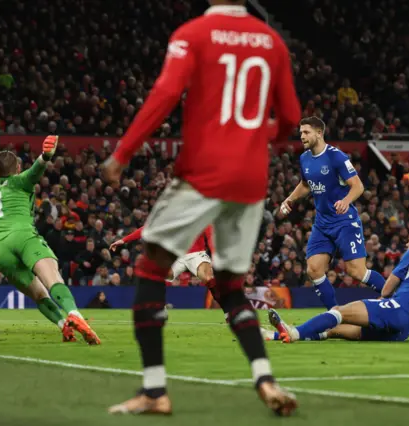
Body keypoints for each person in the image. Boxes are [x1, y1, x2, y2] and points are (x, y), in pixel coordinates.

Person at [102, 0, 301, 416]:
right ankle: (265, 379)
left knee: (150, 270)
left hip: (203, 171)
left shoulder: (192, 34)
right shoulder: (273, 42)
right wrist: (259, 139)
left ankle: (155, 391)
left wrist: (123, 153)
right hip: (250, 180)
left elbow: (166, 93)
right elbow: (291, 119)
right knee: (229, 287)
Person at [0, 115, 99, 344]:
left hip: (1, 250)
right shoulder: (20, 181)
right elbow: (36, 170)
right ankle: (75, 315)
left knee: (38, 294)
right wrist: (45, 156)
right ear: (17, 168)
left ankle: (62, 325)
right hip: (24, 237)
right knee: (53, 279)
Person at [266, 229, 409, 343]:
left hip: (395, 311)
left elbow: (386, 289)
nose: (408, 243)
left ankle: (294, 333)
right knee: (334, 329)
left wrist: (384, 297)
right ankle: (275, 335)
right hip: (402, 333)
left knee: (339, 312)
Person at [278, 117, 385, 309]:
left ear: (319, 133)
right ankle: (335, 314)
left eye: (306, 132)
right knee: (314, 269)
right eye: (301, 132)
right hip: (322, 223)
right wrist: (290, 199)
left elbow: (358, 186)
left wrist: (345, 201)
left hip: (344, 221)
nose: (302, 136)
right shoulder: (304, 159)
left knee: (356, 272)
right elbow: (305, 185)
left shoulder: (337, 157)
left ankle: (394, 298)